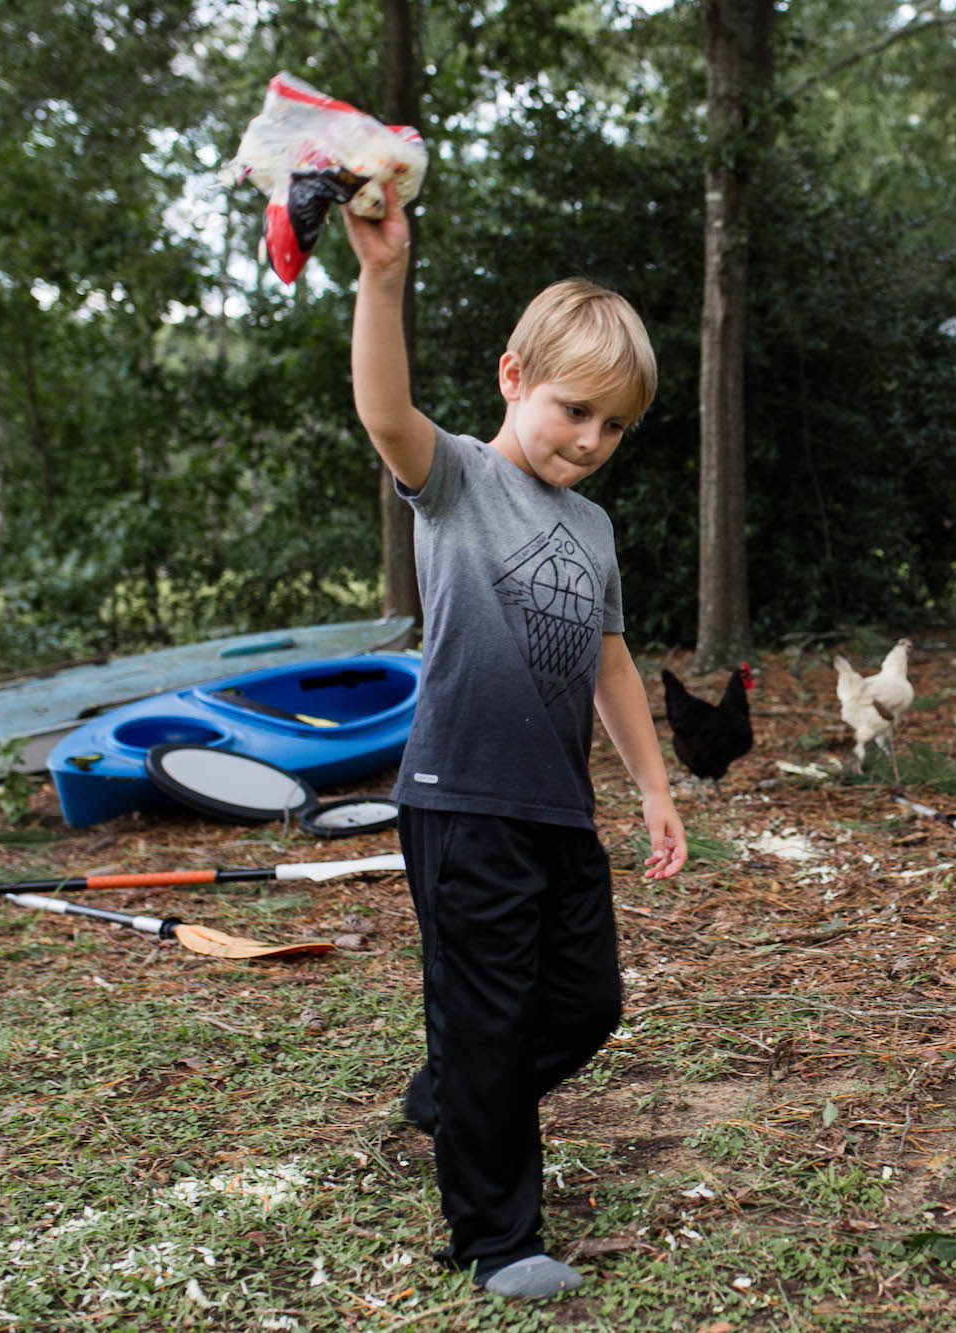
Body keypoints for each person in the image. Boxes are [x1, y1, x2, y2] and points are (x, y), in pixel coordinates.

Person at [343, 182, 687, 1301]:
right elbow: (384, 410)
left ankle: (455, 1099)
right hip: (459, 798)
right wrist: (381, 276)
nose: (589, 441)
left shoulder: (591, 527)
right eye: (572, 410)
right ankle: (496, 1237)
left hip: (555, 806)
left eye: (612, 426)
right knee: (488, 1011)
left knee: (586, 1002)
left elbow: (611, 662)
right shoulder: (457, 481)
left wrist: (652, 787)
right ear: (513, 379)